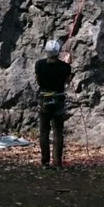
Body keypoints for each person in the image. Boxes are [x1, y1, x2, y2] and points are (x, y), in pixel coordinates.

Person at [36, 38, 73, 168]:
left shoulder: (39, 64)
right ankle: (57, 162)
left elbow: (38, 80)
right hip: (58, 100)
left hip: (44, 100)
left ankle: (45, 161)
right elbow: (68, 80)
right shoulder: (65, 67)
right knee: (58, 131)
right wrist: (68, 64)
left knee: (44, 131)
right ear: (58, 52)